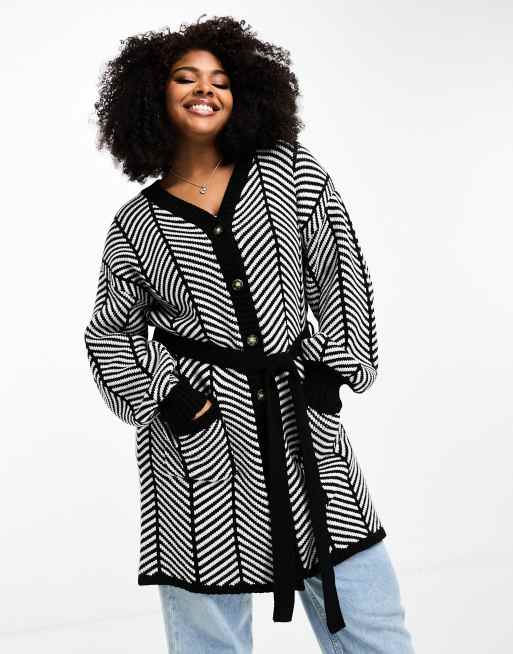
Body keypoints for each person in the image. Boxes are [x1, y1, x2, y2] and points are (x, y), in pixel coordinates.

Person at [84, 14, 416, 654]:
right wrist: (164, 398)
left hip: (303, 429)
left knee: (372, 622)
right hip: (198, 450)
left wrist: (335, 367)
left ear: (244, 94)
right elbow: (110, 331)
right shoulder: (135, 224)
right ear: (152, 97)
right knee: (209, 637)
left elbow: (339, 270)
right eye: (185, 77)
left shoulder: (291, 174)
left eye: (221, 79)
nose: (204, 89)